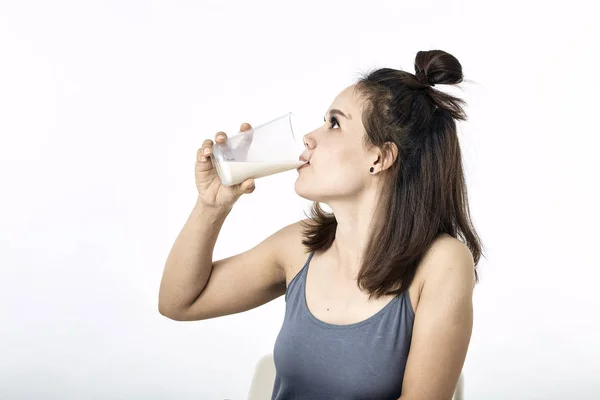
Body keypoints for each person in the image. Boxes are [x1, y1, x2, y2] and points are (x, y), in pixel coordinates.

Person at [158, 49, 484, 400]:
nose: (310, 137)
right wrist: (211, 206)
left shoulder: (442, 263)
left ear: (380, 156)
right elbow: (179, 302)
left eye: (334, 123)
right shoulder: (300, 247)